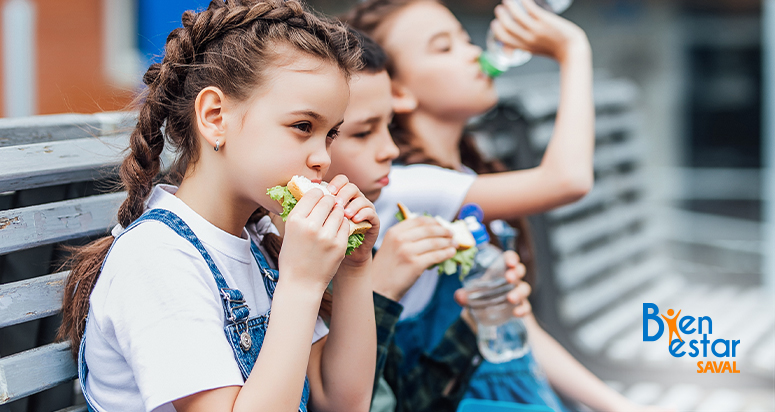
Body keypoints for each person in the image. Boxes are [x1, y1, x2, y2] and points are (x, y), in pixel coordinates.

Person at [346, 1, 672, 411]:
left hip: (518, 389)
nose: (473, 52)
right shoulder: (404, 186)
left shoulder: (463, 175)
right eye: (444, 47)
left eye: (466, 39)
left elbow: (522, 330)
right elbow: (569, 180)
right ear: (396, 93)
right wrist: (572, 50)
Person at [57, 1, 378, 411]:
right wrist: (301, 284)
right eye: (303, 127)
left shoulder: (258, 243)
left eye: (330, 134)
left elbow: (341, 402)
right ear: (214, 117)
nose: (323, 158)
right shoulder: (157, 260)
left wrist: (353, 268)